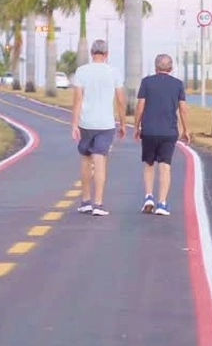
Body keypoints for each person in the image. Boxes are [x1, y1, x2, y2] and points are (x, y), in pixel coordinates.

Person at [70, 39, 125, 216]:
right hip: (106, 123)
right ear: (106, 54)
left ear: (92, 53)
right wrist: (123, 123)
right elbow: (120, 100)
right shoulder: (114, 72)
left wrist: (74, 123)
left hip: (86, 122)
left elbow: (77, 99)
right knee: (100, 160)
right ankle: (98, 204)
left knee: (86, 160)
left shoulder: (82, 71)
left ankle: (85, 201)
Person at [133, 53, 190, 216]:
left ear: (155, 67)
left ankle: (148, 197)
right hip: (168, 131)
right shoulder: (178, 84)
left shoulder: (146, 82)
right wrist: (186, 130)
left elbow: (140, 106)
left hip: (149, 130)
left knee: (149, 164)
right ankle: (162, 203)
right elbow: (183, 108)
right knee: (165, 166)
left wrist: (136, 127)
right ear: (171, 68)